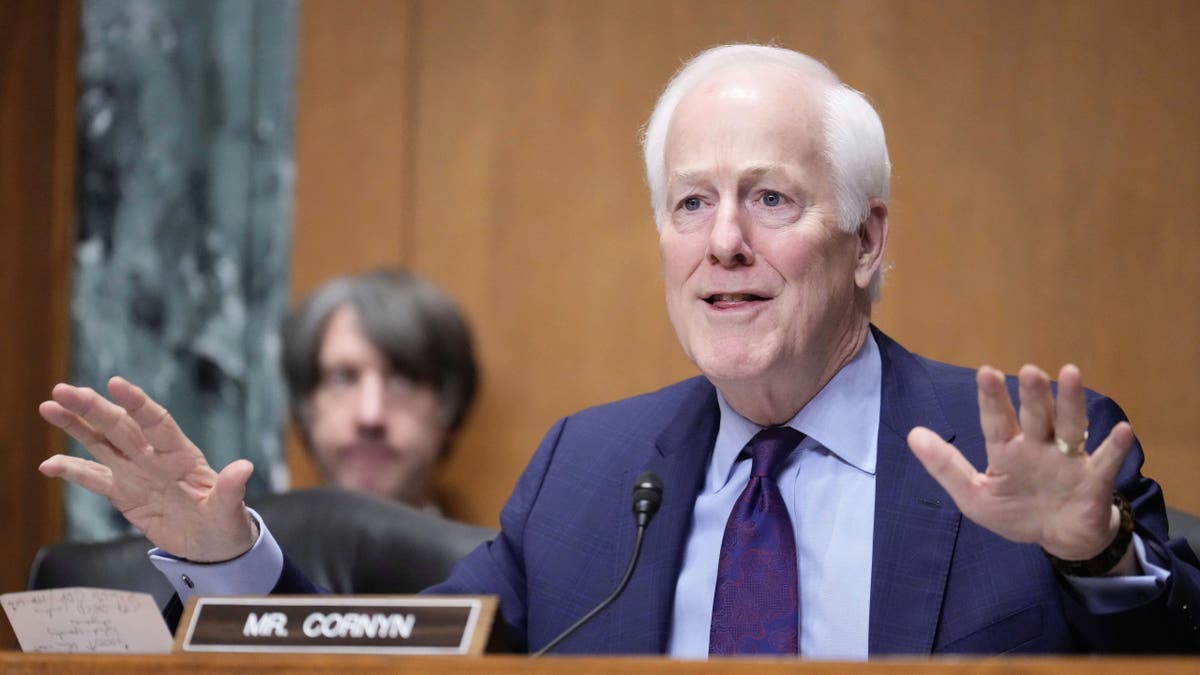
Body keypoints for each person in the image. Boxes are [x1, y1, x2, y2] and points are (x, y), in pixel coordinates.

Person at [37, 44, 1200, 656]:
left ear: (867, 237)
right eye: (691, 205)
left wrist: (1094, 559)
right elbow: (407, 655)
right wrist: (226, 554)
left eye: (772, 200)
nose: (725, 243)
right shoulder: (590, 476)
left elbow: (1167, 640)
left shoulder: (1030, 452)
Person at [280, 269, 478, 509]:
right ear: (306, 406)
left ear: (449, 406)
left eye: (403, 381)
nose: (370, 416)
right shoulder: (256, 547)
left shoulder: (486, 548)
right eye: (343, 378)